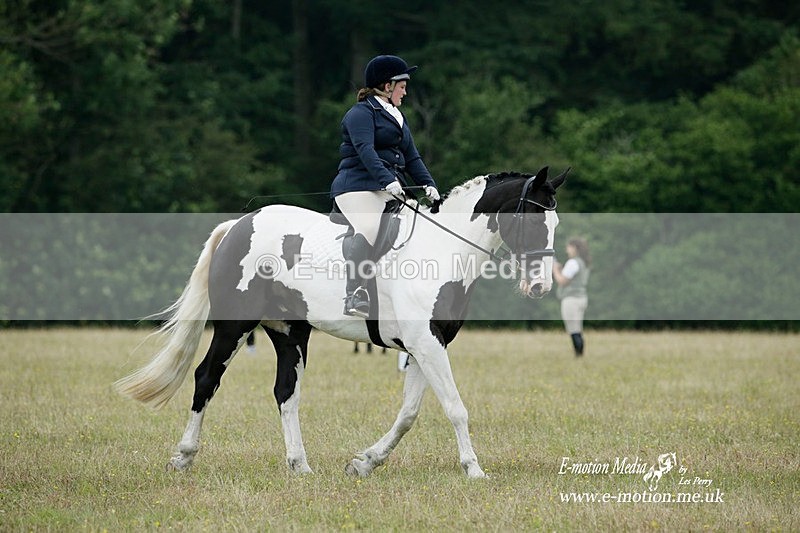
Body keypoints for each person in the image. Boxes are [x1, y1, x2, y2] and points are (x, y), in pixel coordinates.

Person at [331, 54, 440, 318]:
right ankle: (353, 294)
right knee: (369, 226)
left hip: (385, 188)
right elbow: (365, 150)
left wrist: (429, 185)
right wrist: (387, 179)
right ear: (386, 85)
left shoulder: (397, 116)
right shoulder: (359, 114)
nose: (405, 91)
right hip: (355, 187)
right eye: (402, 86)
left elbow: (412, 157)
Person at [553, 237, 591, 357]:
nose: (566, 250)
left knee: (573, 330)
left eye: (568, 247)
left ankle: (578, 355)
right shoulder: (582, 262)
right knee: (577, 329)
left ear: (575, 248)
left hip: (571, 300)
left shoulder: (573, 262)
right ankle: (579, 354)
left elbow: (562, 281)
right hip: (581, 298)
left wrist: (555, 270)